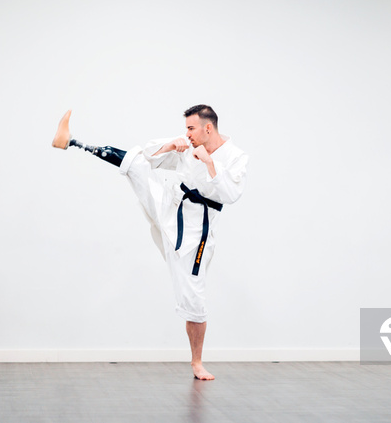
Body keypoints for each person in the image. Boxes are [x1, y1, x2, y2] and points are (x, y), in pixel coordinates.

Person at [51, 105, 248, 380]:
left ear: (208, 128)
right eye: (186, 129)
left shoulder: (236, 156)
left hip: (193, 235)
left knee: (194, 300)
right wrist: (170, 145)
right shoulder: (189, 144)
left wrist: (209, 163)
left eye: (191, 128)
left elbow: (231, 194)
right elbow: (148, 156)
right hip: (169, 205)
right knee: (136, 164)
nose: (187, 134)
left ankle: (197, 362)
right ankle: (72, 141)